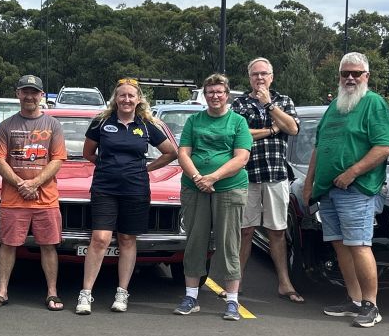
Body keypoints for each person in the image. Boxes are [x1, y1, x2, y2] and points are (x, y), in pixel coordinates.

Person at [303, 52, 389, 328]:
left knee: (359, 245)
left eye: (356, 73)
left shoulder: (373, 103)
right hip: (329, 189)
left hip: (357, 189)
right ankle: (353, 300)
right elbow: (319, 147)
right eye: (345, 73)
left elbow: (384, 146)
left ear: (367, 76)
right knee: (341, 246)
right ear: (339, 76)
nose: (350, 78)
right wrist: (309, 184)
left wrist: (352, 172)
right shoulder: (335, 107)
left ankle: (371, 305)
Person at [76, 78, 177, 314]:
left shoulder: (147, 124)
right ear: (115, 98)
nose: (127, 100)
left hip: (136, 189)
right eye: (122, 95)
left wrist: (145, 169)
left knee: (127, 240)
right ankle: (85, 293)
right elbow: (88, 153)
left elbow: (170, 152)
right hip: (105, 188)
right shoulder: (101, 122)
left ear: (138, 99)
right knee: (100, 238)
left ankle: (122, 293)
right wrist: (109, 167)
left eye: (131, 96)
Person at [173, 74, 251, 321]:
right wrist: (198, 177)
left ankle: (232, 301)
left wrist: (213, 178)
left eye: (219, 92)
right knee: (195, 240)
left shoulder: (238, 122)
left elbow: (241, 157)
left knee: (229, 243)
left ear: (227, 95)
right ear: (204, 96)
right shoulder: (194, 121)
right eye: (210, 92)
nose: (215, 96)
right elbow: (183, 152)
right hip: (195, 188)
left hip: (229, 188)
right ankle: (191, 296)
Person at [0, 75, 66, 310]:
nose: (30, 96)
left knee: (48, 245)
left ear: (42, 95)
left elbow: (57, 159)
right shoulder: (6, 126)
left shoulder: (53, 126)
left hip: (45, 199)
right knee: (7, 245)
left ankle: (52, 293)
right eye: (25, 91)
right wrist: (21, 183)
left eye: (34, 92)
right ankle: (2, 291)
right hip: (13, 199)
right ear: (18, 94)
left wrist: (35, 183)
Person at [231, 57, 302, 303]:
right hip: (247, 175)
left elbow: (292, 128)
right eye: (255, 74)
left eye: (264, 74)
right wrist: (273, 129)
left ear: (272, 76)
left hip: (276, 175)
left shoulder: (284, 101)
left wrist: (270, 105)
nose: (259, 78)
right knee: (245, 231)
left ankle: (284, 282)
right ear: (249, 77)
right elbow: (240, 134)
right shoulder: (239, 103)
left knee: (277, 231)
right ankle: (235, 283)